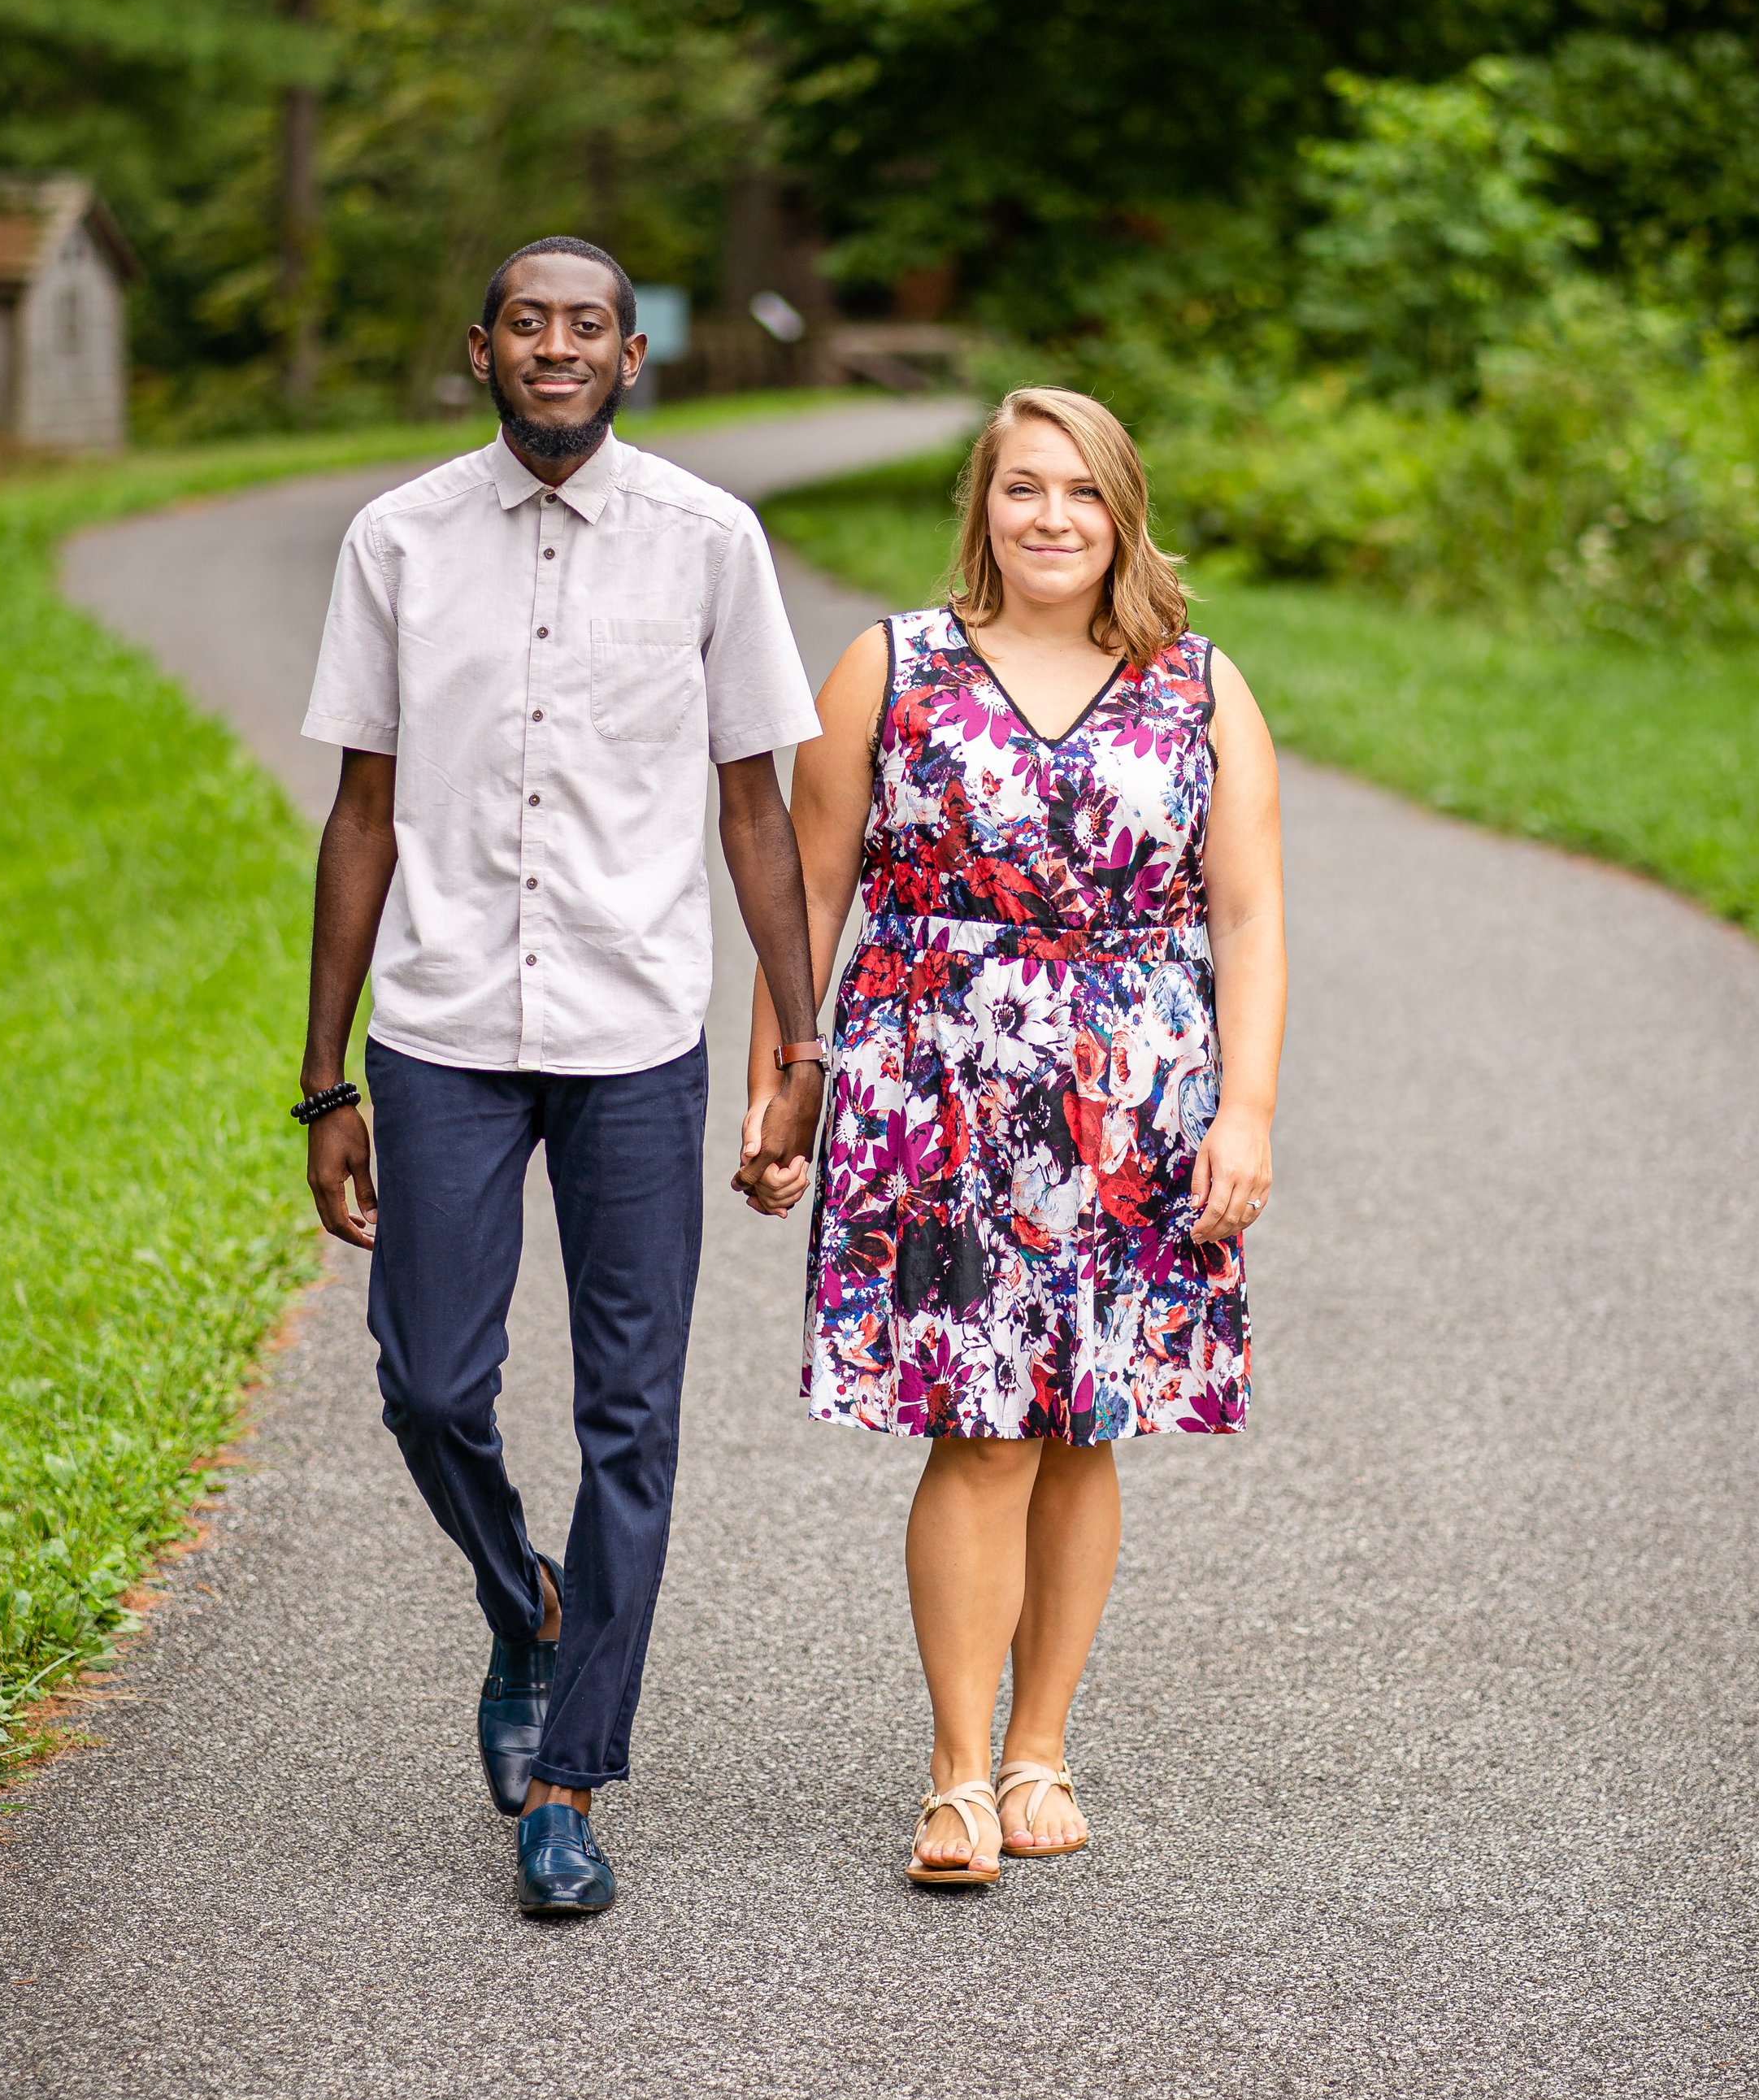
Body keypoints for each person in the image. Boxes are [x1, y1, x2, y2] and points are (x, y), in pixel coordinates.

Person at [296, 235, 826, 1918]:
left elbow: (758, 809)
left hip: (632, 1036)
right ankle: (520, 1598)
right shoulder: (394, 541)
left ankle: (572, 1779)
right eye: (527, 323)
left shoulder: (706, 546)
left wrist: (799, 1046)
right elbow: (362, 813)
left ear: (630, 357)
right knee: (427, 1383)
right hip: (444, 1024)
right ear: (480, 350)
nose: (555, 347)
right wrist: (324, 1082)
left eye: (585, 325)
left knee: (631, 1418)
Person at [743, 386, 1285, 1885]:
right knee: (977, 1427)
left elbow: (1246, 914)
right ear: (980, 503)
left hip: (1139, 1099)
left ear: (1126, 513)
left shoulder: (1200, 685)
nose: (1052, 518)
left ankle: (1045, 1741)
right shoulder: (891, 666)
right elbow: (810, 885)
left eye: (1083, 493)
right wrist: (781, 1079)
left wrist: (1244, 1111)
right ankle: (960, 1771)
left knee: (1083, 1424)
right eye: (1022, 488)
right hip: (936, 1092)